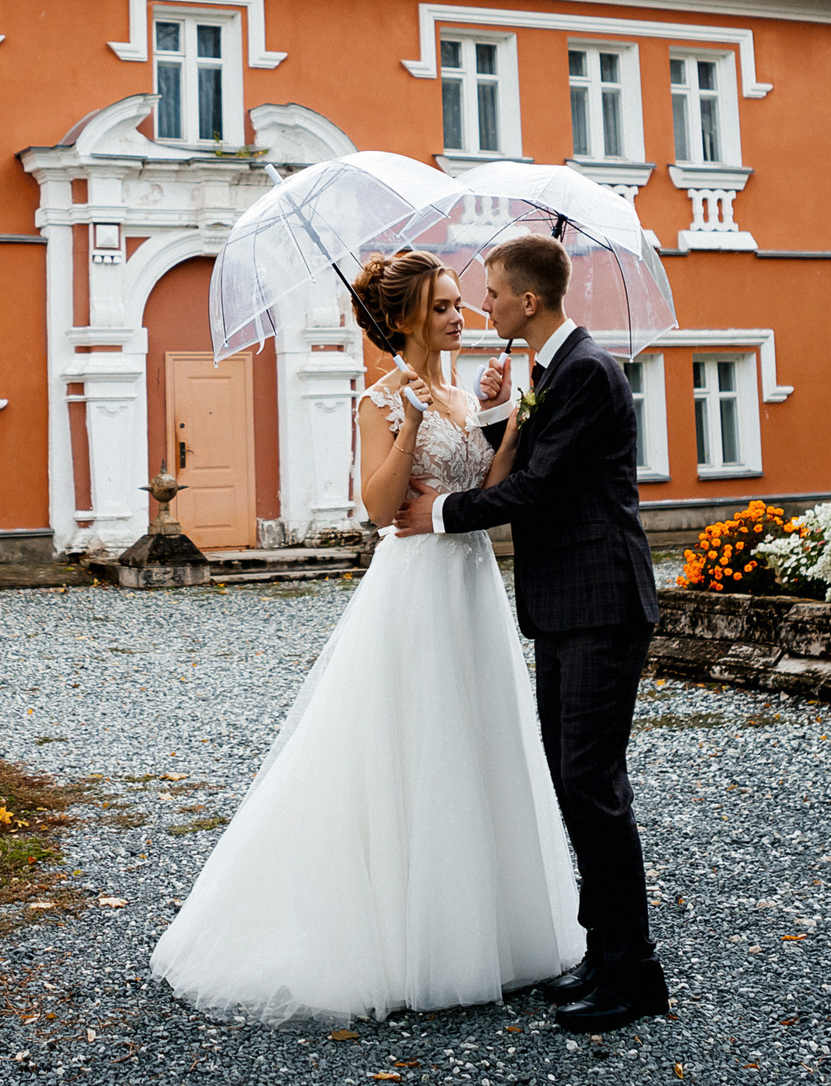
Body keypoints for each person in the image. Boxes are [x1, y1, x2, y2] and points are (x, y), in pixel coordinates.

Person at [150, 250, 582, 1022]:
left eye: (461, 301)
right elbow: (381, 509)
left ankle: (494, 930)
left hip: (471, 581)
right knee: (415, 747)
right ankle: (409, 938)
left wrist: (506, 421)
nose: (461, 315)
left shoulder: (463, 388)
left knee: (478, 742)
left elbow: (485, 492)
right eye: (446, 305)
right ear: (410, 318)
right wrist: (411, 415)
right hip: (413, 588)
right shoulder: (381, 398)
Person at [391, 231, 666, 1033]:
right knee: (569, 778)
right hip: (564, 607)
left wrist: (437, 513)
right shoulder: (552, 370)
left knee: (594, 787)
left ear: (530, 301)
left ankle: (634, 971)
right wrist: (505, 409)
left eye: (494, 291)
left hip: (602, 604)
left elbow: (540, 490)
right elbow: (527, 458)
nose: (484, 303)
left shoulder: (586, 371)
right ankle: (602, 951)